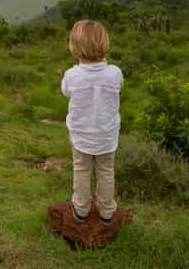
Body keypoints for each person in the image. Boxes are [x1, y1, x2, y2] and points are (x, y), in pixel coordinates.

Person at [60, 19, 123, 224]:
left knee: (81, 169)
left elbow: (65, 91)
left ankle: (81, 209)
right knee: (106, 170)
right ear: (104, 43)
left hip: (81, 135)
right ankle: (106, 211)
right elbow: (118, 87)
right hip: (106, 135)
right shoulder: (115, 73)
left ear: (75, 47)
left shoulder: (72, 75)